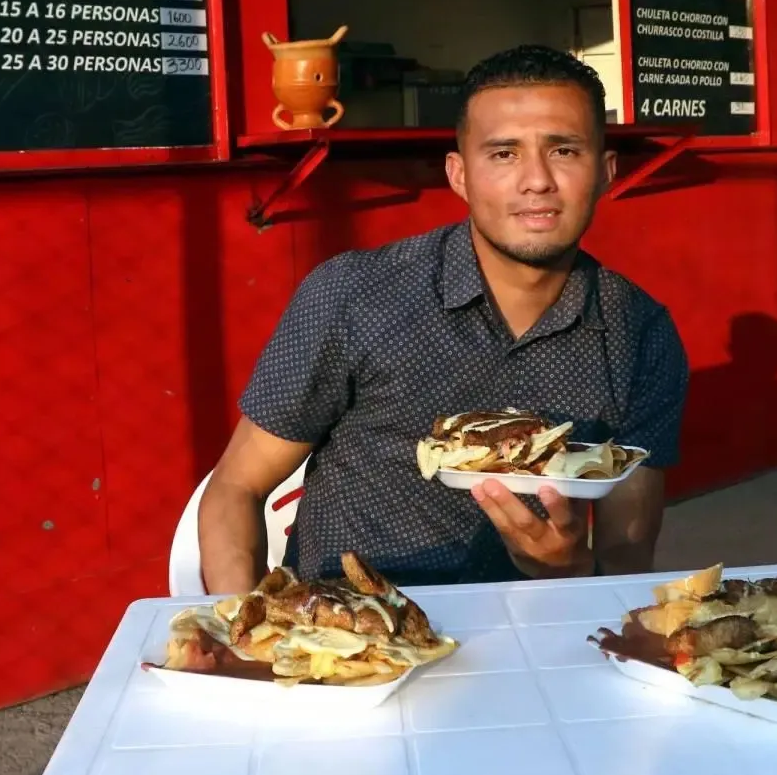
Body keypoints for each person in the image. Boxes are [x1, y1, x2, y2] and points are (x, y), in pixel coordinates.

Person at [198, 44, 689, 594]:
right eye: (504, 154)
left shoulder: (639, 331)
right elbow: (235, 489)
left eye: (564, 150)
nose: (537, 180)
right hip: (352, 637)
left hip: (530, 636)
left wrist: (571, 570)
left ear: (604, 172)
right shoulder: (355, 294)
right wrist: (243, 636)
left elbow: (628, 555)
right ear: (459, 175)